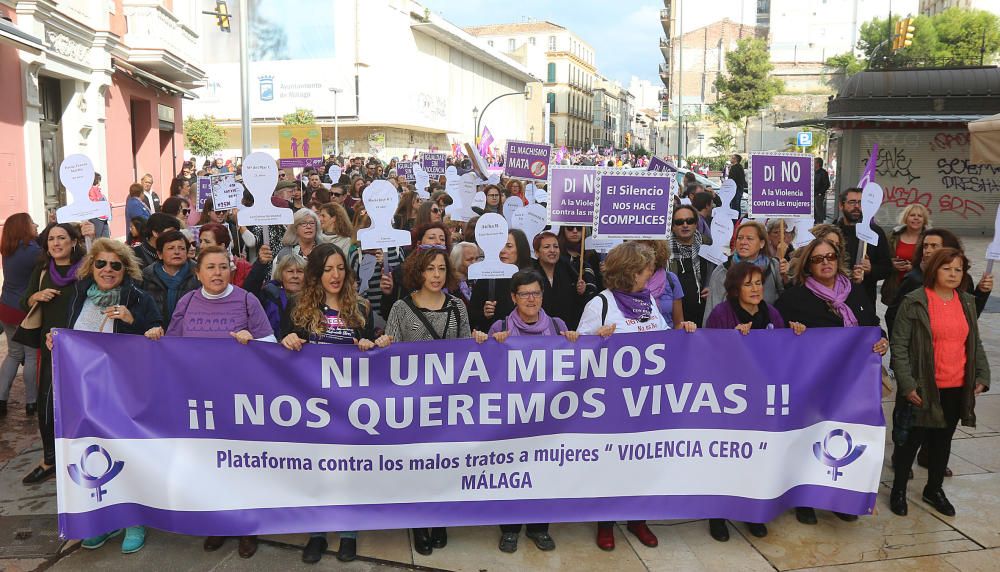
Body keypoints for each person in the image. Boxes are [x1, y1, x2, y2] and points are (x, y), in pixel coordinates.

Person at [577, 241, 697, 551]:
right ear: (629, 273)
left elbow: (662, 342)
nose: (650, 276)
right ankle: (606, 520)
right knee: (611, 462)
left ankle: (637, 518)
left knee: (641, 460)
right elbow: (577, 353)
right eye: (645, 271)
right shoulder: (600, 305)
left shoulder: (649, 303)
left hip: (646, 400)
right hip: (612, 402)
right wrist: (596, 338)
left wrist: (683, 331)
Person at [280, 244, 388, 563]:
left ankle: (348, 532)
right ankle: (317, 531)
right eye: (327, 269)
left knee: (348, 470)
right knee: (318, 470)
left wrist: (370, 346)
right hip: (311, 405)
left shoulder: (362, 308)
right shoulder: (298, 307)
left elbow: (368, 356)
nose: (335, 275)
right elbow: (280, 353)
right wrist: (286, 342)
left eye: (340, 268)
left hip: (350, 406)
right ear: (316, 274)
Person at [55, 238, 163, 553]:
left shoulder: (139, 298)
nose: (108, 270)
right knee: (94, 453)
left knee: (125, 452)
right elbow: (67, 334)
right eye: (101, 263)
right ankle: (106, 521)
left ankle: (133, 520)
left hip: (125, 390)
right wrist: (55, 343)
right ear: (92, 266)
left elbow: (157, 334)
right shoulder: (77, 298)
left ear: (125, 269)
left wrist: (132, 321)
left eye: (115, 265)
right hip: (85, 392)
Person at [167, 245, 272, 559]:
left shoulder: (246, 299)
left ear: (231, 270)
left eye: (223, 267)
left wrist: (251, 343)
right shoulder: (187, 302)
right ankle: (218, 521)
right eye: (210, 267)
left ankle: (247, 526)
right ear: (198, 272)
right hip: (201, 398)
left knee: (240, 462)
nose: (217, 273)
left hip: (241, 397)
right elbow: (171, 348)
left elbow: (271, 346)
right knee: (211, 462)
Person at [775, 237, 888, 525]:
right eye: (817, 259)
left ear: (838, 260)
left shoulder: (857, 292)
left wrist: (881, 340)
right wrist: (791, 331)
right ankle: (804, 499)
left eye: (830, 257)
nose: (825, 262)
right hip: (812, 384)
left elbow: (872, 324)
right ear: (807, 266)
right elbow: (774, 331)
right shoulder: (793, 298)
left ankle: (842, 496)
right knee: (809, 437)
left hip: (852, 385)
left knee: (845, 438)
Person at [384, 245, 480, 556]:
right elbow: (390, 359)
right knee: (416, 463)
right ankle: (418, 521)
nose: (436, 275)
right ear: (418, 272)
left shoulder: (457, 307)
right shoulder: (401, 308)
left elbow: (466, 352)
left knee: (441, 462)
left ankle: (439, 515)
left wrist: (481, 342)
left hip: (447, 403)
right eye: (430, 269)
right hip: (413, 404)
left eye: (441, 269)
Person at [890, 248, 989, 518]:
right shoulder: (915, 301)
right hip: (924, 387)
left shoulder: (966, 302)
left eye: (958, 269)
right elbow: (899, 346)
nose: (953, 274)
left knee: (943, 441)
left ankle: (933, 489)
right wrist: (907, 384)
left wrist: (982, 374)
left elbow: (974, 343)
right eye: (947, 268)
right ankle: (898, 490)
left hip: (956, 386)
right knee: (911, 441)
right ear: (934, 270)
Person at [489, 269, 577, 554]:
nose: (531, 299)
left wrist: (580, 341)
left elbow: (577, 362)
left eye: (536, 293)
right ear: (514, 297)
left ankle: (540, 528)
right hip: (512, 417)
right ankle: (510, 529)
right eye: (524, 293)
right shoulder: (501, 326)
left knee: (544, 473)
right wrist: (491, 345)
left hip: (547, 419)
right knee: (511, 474)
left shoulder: (557, 325)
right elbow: (485, 371)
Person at [20, 223, 86, 485]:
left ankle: (82, 455)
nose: (56, 243)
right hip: (52, 344)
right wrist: (37, 295)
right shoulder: (42, 270)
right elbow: (24, 300)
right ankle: (49, 459)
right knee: (47, 401)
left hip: (83, 345)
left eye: (61, 238)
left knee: (82, 402)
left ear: (73, 242)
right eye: (51, 239)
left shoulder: (86, 268)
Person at [703, 221, 787, 326]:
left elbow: (786, 301)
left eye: (749, 238)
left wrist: (786, 279)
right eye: (740, 238)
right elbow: (712, 314)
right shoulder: (722, 271)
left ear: (762, 243)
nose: (743, 242)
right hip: (731, 336)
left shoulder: (774, 266)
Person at [0, 213, 41, 417]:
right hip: (24, 310)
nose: (35, 225)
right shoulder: (33, 251)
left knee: (14, 354)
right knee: (31, 356)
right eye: (32, 222)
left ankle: (1, 399)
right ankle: (32, 402)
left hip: (6, 307)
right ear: (24, 227)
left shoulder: (8, 249)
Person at [378, 223, 452, 322]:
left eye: (442, 239)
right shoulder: (402, 273)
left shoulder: (451, 275)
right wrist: (389, 294)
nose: (438, 242)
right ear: (419, 244)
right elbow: (388, 315)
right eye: (431, 238)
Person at [468, 229, 533, 332]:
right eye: (500, 246)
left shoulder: (532, 278)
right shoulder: (488, 277)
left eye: (509, 246)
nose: (502, 250)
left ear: (521, 249)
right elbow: (470, 316)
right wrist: (484, 313)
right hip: (495, 341)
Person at [836, 188, 892, 306]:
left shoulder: (875, 232)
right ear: (841, 205)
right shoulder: (831, 232)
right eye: (852, 202)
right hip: (834, 297)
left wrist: (871, 269)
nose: (857, 206)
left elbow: (887, 268)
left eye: (861, 203)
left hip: (864, 298)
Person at [140, 231, 200, 329]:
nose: (177, 252)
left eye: (182, 248)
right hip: (156, 335)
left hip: (190, 333)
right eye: (171, 248)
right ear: (159, 254)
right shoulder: (146, 276)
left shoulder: (198, 274)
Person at [533, 231, 587, 329]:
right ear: (537, 253)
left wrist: (581, 292)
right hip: (539, 332)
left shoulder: (568, 270)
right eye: (547, 247)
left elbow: (577, 306)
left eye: (556, 247)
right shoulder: (530, 275)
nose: (552, 250)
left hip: (566, 331)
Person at [669, 205, 712, 324]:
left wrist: (713, 287)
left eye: (690, 221)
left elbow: (721, 275)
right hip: (675, 319)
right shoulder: (663, 252)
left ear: (696, 224)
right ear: (672, 226)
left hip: (704, 317)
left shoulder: (709, 245)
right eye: (679, 222)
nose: (685, 225)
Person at [881, 204, 931, 307]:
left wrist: (914, 269)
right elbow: (882, 258)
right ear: (906, 218)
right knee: (893, 317)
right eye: (912, 215)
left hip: (919, 286)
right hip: (895, 286)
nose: (916, 218)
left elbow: (936, 263)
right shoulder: (893, 237)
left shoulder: (931, 238)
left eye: (920, 216)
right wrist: (891, 264)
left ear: (924, 219)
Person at [639, 240, 685, 328]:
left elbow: (678, 323)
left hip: (667, 337)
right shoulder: (629, 281)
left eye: (647, 253)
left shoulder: (671, 279)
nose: (643, 256)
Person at [257, 252, 305, 335]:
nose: (295, 276)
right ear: (281, 274)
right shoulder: (267, 295)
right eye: (290, 271)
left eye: (300, 271)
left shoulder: (313, 298)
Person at [198, 223, 252, 288]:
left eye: (207, 242)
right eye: (200, 241)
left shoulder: (243, 267)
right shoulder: (197, 266)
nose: (201, 246)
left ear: (221, 246)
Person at [556, 225, 602, 295]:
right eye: (570, 228)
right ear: (563, 230)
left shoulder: (591, 254)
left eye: (579, 228)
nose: (575, 231)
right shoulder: (556, 254)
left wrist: (603, 272)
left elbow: (599, 284)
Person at [450, 241, 482, 306]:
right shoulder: (450, 286)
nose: (475, 263)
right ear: (457, 261)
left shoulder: (480, 281)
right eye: (470, 259)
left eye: (476, 259)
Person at [813, 157, 831, 224]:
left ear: (817, 164)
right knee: (813, 211)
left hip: (819, 195)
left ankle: (820, 225)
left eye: (814, 162)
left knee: (819, 210)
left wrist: (820, 193)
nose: (812, 163)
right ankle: (814, 224)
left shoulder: (823, 173)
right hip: (813, 194)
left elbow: (827, 185)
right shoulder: (813, 172)